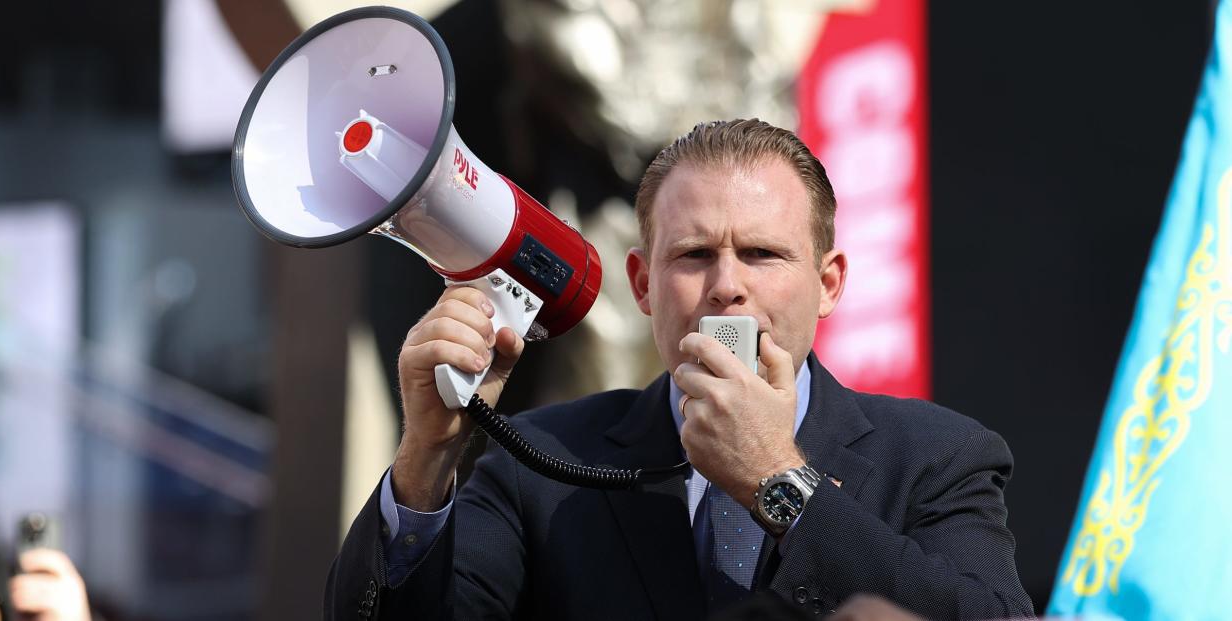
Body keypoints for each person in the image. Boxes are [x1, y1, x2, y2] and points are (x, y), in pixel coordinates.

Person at [325, 119, 1033, 620]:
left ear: (829, 283)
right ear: (641, 284)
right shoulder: (540, 461)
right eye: (694, 255)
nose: (727, 286)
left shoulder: (941, 455)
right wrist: (425, 459)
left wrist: (776, 481)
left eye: (762, 254)